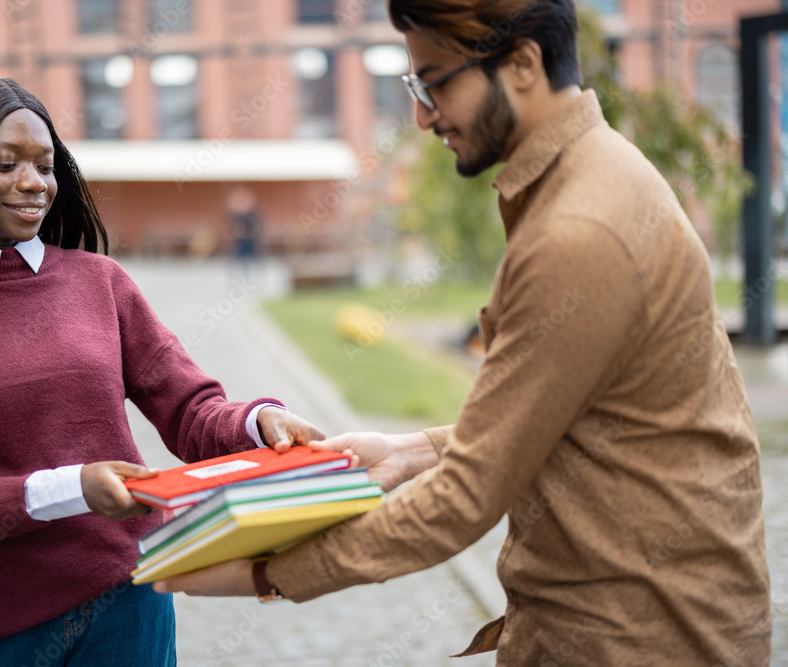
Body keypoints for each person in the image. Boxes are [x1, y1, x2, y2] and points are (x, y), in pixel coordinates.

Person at [154, 1, 772, 665]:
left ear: (524, 64)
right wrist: (408, 451)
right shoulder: (593, 176)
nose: (422, 115)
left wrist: (266, 573)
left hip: (638, 634)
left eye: (437, 81)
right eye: (414, 88)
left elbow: (463, 500)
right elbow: (570, 415)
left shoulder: (581, 228)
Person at [0, 72, 322, 666]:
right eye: (5, 164)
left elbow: (190, 409)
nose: (33, 183)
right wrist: (71, 490)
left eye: (45, 166)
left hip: (128, 608)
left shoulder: (101, 283)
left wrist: (260, 424)